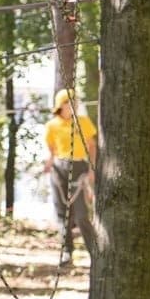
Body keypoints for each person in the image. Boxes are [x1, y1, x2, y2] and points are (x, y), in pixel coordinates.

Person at [43, 88, 97, 268]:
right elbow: (51, 149)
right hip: (59, 169)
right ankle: (67, 252)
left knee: (81, 214)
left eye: (75, 100)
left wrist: (92, 169)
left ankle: (94, 252)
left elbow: (92, 146)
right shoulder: (52, 125)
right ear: (61, 105)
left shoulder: (83, 122)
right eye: (69, 101)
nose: (73, 104)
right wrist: (48, 164)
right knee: (63, 214)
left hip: (79, 167)